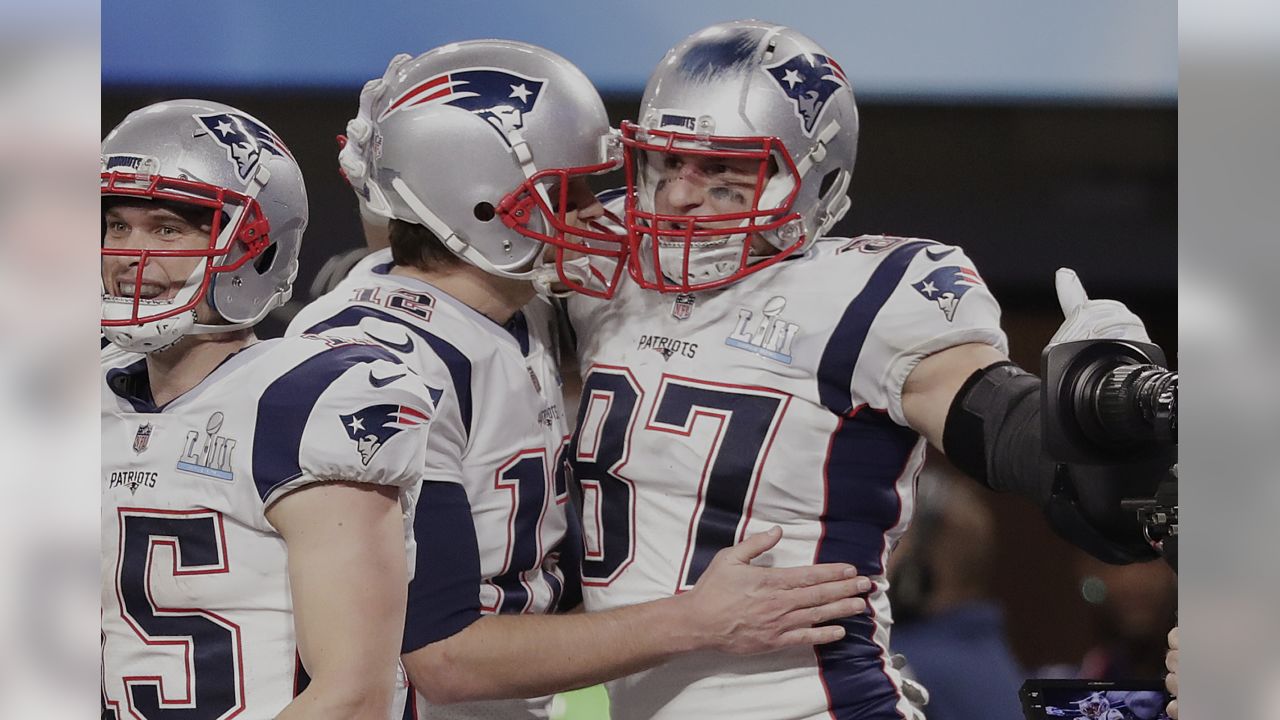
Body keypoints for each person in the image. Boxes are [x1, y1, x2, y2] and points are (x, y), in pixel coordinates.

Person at [561, 19, 1168, 719]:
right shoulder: (602, 267)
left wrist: (1093, 413)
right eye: (667, 162)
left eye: (725, 171)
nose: (679, 197)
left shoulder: (866, 293)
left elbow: (1000, 424)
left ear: (810, 177)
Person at [292, 41, 876, 720]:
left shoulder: (511, 312)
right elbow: (447, 656)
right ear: (477, 206)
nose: (601, 216)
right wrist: (698, 621)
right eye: (565, 194)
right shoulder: (387, 366)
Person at [100, 100, 434, 719]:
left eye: (167, 228)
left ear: (254, 248)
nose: (129, 254)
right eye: (117, 225)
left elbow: (353, 696)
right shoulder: (84, 394)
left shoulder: (308, 402)